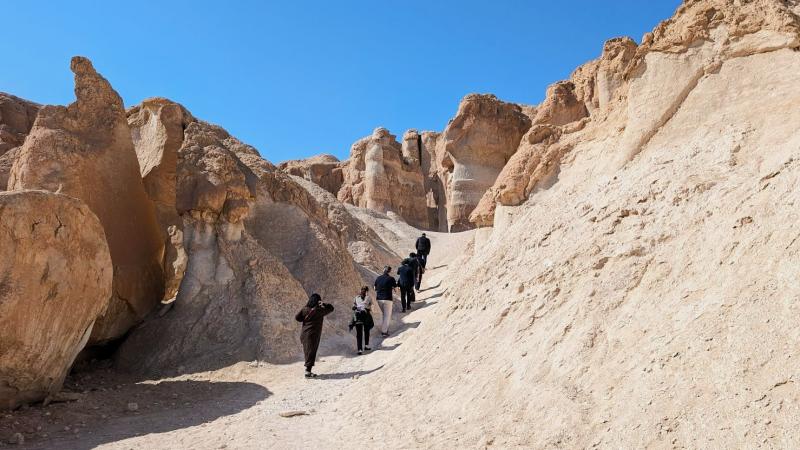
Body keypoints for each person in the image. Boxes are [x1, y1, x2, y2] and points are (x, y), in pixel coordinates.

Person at [294, 293, 334, 378]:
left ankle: (308, 371)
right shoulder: (319, 310)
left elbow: (297, 318)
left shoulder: (305, 309)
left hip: (304, 334)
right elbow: (331, 308)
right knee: (311, 353)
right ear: (318, 301)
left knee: (307, 352)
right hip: (313, 335)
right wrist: (323, 304)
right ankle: (307, 372)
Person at [348, 286, 374, 354]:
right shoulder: (356, 298)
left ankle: (366, 345)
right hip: (358, 315)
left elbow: (371, 305)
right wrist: (354, 307)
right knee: (359, 332)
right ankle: (359, 349)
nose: (363, 291)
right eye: (362, 290)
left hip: (366, 315)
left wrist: (367, 308)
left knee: (366, 330)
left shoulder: (368, 298)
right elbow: (353, 305)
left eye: (364, 290)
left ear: (366, 291)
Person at [374, 266, 397, 336]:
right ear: (389, 271)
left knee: (384, 314)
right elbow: (396, 289)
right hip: (387, 299)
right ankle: (384, 332)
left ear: (383, 270)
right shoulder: (391, 279)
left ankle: (384, 328)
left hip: (379, 299)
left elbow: (375, 288)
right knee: (387, 315)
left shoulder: (378, 278)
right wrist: (392, 288)